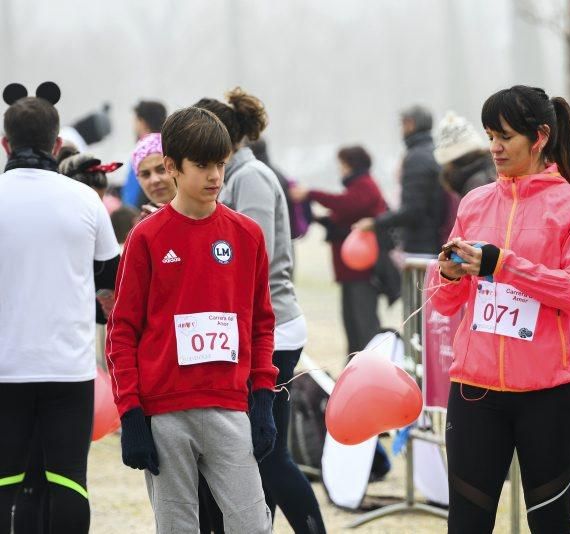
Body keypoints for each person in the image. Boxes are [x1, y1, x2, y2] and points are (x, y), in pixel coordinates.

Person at [432, 85, 570, 533]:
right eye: (489, 135)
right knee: (466, 524)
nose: (494, 148)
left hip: (550, 393)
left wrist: (502, 264)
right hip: (475, 391)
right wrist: (448, 274)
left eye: (504, 136)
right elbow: (445, 303)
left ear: (540, 136)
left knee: (549, 526)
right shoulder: (474, 201)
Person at [106, 107, 277, 534]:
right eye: (202, 165)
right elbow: (121, 330)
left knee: (254, 526)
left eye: (220, 163)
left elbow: (261, 323)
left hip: (230, 406)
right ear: (172, 167)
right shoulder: (145, 238)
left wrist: (263, 397)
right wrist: (130, 413)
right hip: (164, 414)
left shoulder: (247, 234)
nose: (215, 175)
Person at [194, 88, 326, 534]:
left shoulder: (250, 179)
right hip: (255, 327)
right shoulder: (238, 176)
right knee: (258, 452)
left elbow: (251, 258)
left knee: (269, 454)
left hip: (273, 328)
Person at [0, 82, 120, 534]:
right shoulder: (87, 200)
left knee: (5, 483)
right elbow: (111, 288)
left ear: (5, 144)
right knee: (69, 482)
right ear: (57, 145)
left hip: (4, 370)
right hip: (68, 372)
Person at [290, 146, 387, 359]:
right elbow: (341, 217)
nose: (340, 169)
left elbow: (344, 206)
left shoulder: (365, 187)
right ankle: (354, 371)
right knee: (352, 325)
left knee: (364, 327)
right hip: (349, 273)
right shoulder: (359, 187)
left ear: (352, 164)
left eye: (342, 164)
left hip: (362, 273)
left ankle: (370, 369)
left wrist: (311, 193)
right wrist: (317, 218)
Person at [353, 105, 443, 256]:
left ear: (410, 124)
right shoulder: (432, 151)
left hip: (422, 247)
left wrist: (376, 223)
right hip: (433, 242)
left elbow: (413, 210)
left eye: (402, 124)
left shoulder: (417, 158)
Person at [120, 100, 167, 207]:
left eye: (161, 170)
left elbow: (130, 198)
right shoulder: (172, 147)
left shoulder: (141, 154)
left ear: (142, 122)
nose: (155, 180)